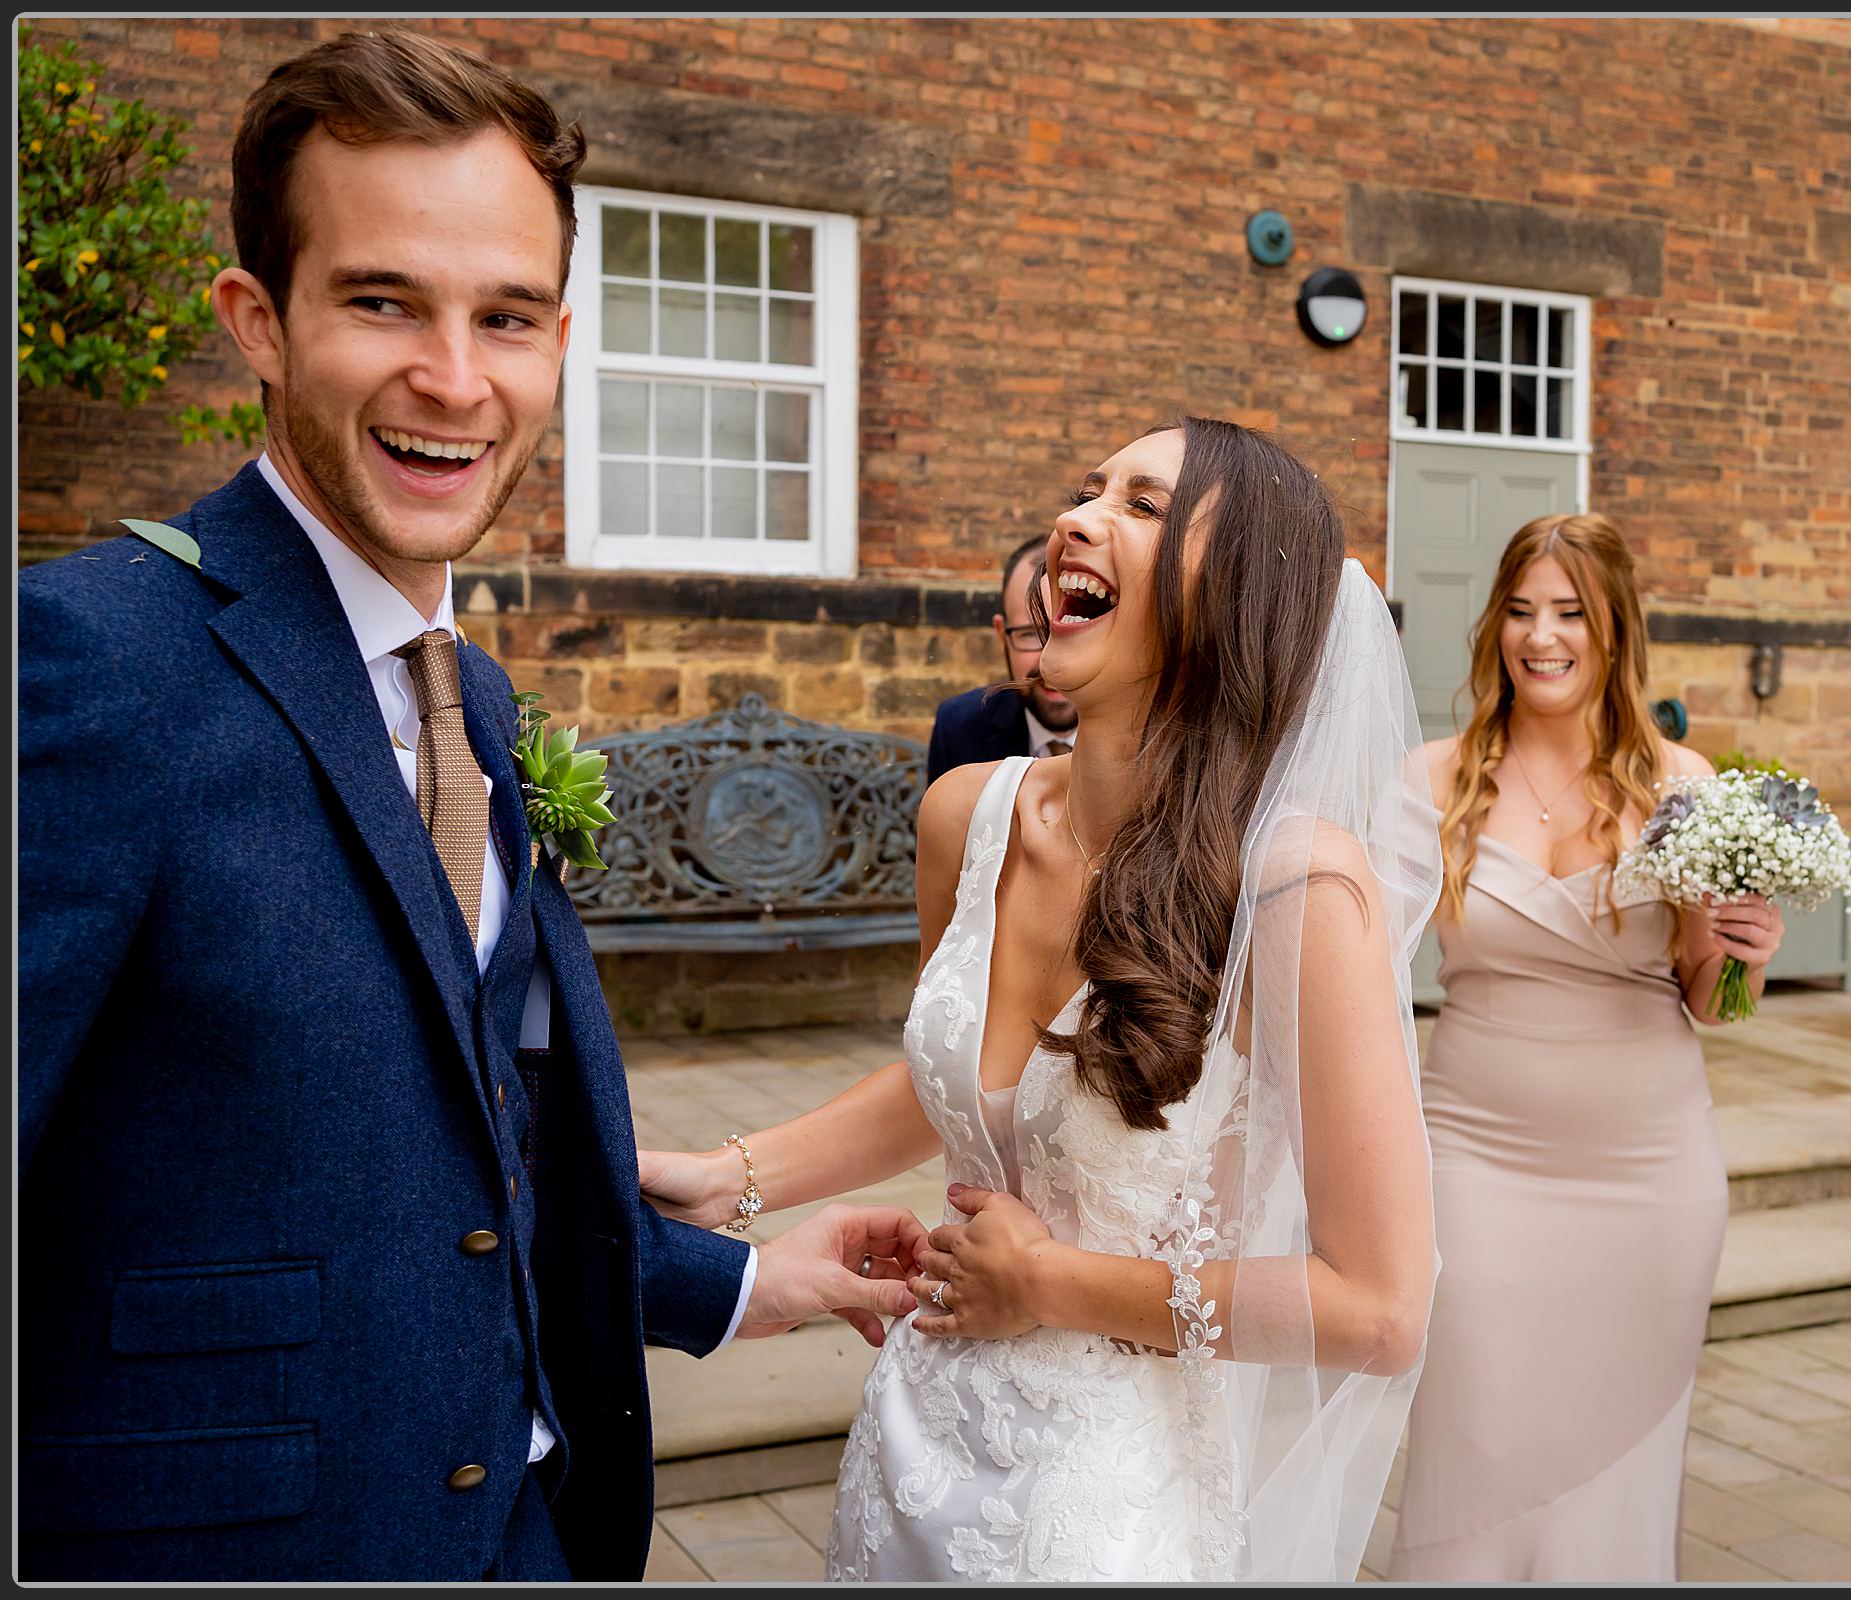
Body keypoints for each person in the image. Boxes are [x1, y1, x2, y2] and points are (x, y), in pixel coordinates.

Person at [17, 30, 922, 1582]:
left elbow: (464, 1149)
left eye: (505, 317)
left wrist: (747, 1283)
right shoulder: (93, 660)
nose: (453, 377)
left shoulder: (477, 699)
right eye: (382, 301)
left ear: (560, 343)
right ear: (261, 320)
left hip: (526, 1528)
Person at [638, 417, 1442, 1580]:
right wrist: (734, 1172)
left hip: (1109, 1503)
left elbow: (1377, 1311)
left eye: (1143, 506)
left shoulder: (1297, 886)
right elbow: (969, 1083)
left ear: (1236, 598)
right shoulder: (968, 815)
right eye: (1087, 489)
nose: (1079, 517)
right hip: (913, 1444)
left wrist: (1049, 1284)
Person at [1388, 513, 1783, 1582]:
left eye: (1568, 611)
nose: (1541, 635)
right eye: (1519, 611)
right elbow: (1352, 964)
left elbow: (1712, 998)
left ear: (1615, 629)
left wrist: (1746, 948)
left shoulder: (1683, 782)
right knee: (1476, 1445)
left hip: (1648, 1177)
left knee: (1622, 1471)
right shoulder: (1432, 779)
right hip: (1476, 1161)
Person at [924, 533, 1079, 782]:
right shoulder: (959, 729)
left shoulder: (1145, 734)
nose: (1049, 662)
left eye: (1068, 631)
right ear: (1001, 634)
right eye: (1030, 634)